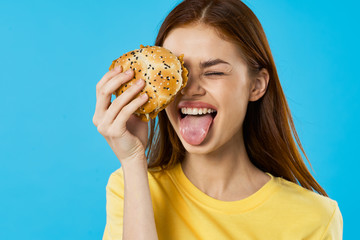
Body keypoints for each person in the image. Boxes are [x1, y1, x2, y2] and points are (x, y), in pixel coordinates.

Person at [93, 0, 343, 239]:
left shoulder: (315, 218)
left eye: (213, 72)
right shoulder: (130, 188)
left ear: (256, 85)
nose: (188, 89)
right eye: (175, 73)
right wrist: (133, 159)